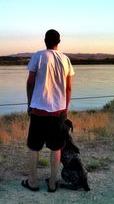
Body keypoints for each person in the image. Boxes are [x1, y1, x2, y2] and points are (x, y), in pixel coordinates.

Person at [21, 29, 74, 193]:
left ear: (45, 40)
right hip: (58, 111)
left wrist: (30, 103)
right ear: (59, 41)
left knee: (33, 147)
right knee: (56, 148)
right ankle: (52, 183)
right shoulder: (66, 59)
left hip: (38, 109)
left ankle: (33, 182)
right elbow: (69, 87)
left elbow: (30, 82)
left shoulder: (38, 55)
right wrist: (65, 109)